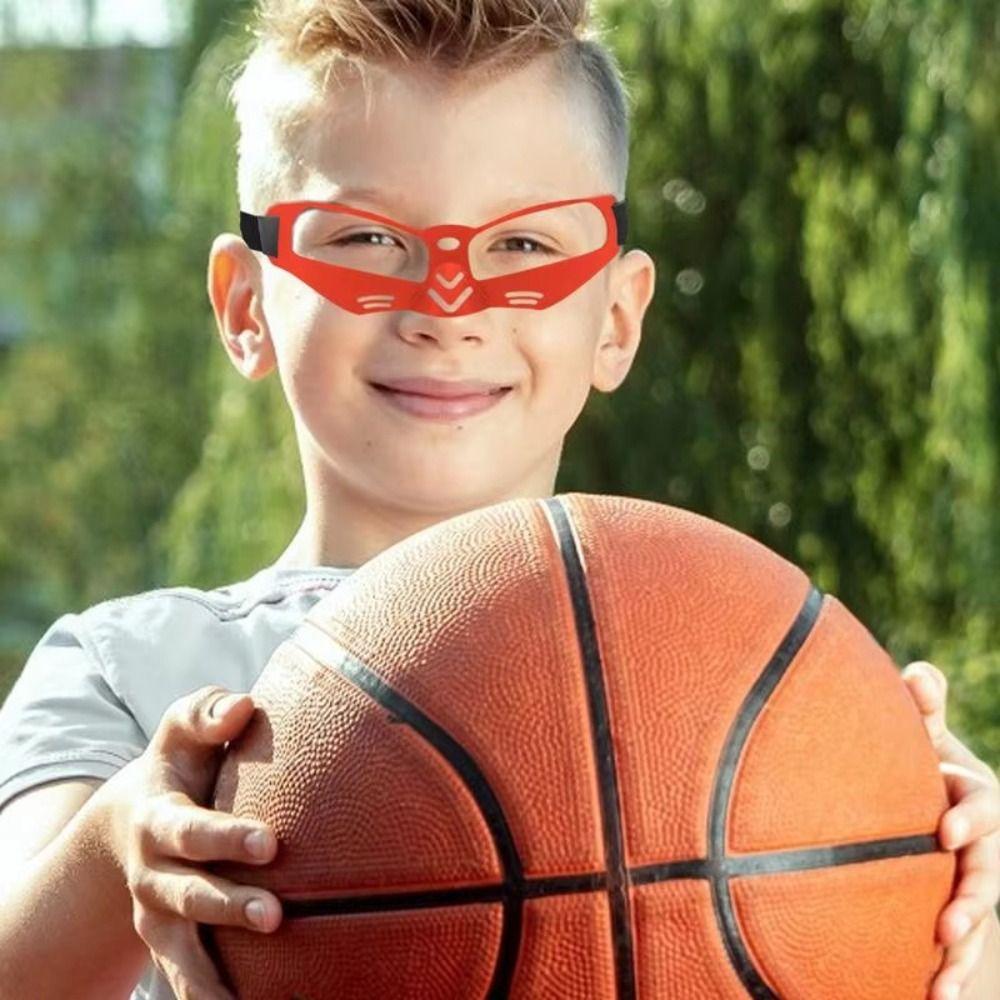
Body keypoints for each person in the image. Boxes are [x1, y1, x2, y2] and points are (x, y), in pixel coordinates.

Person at [0, 1, 996, 999]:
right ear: (244, 303)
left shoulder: (765, 679)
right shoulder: (128, 672)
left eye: (521, 246)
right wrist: (115, 849)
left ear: (617, 317)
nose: (448, 307)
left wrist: (952, 897)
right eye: (366, 237)